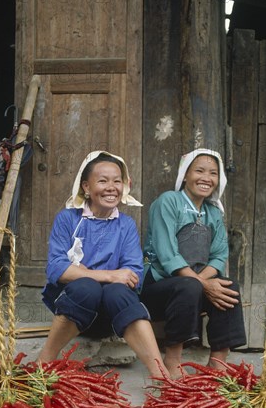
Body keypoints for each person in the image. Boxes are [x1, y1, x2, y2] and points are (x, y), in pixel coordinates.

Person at [38, 150, 171, 380]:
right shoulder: (67, 219)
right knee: (87, 287)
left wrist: (100, 276)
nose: (112, 187)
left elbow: (132, 275)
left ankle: (160, 373)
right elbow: (57, 269)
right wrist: (109, 275)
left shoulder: (126, 225)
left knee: (119, 291)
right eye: (103, 181)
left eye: (117, 181)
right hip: (74, 306)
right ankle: (44, 360)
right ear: (86, 187)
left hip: (112, 314)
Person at [140, 148, 246, 377]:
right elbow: (167, 255)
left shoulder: (213, 212)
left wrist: (204, 282)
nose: (206, 178)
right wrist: (201, 284)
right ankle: (173, 359)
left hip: (192, 285)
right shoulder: (168, 202)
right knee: (189, 286)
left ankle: (217, 363)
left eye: (213, 173)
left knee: (230, 288)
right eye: (199, 171)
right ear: (185, 175)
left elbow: (219, 256)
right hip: (157, 284)